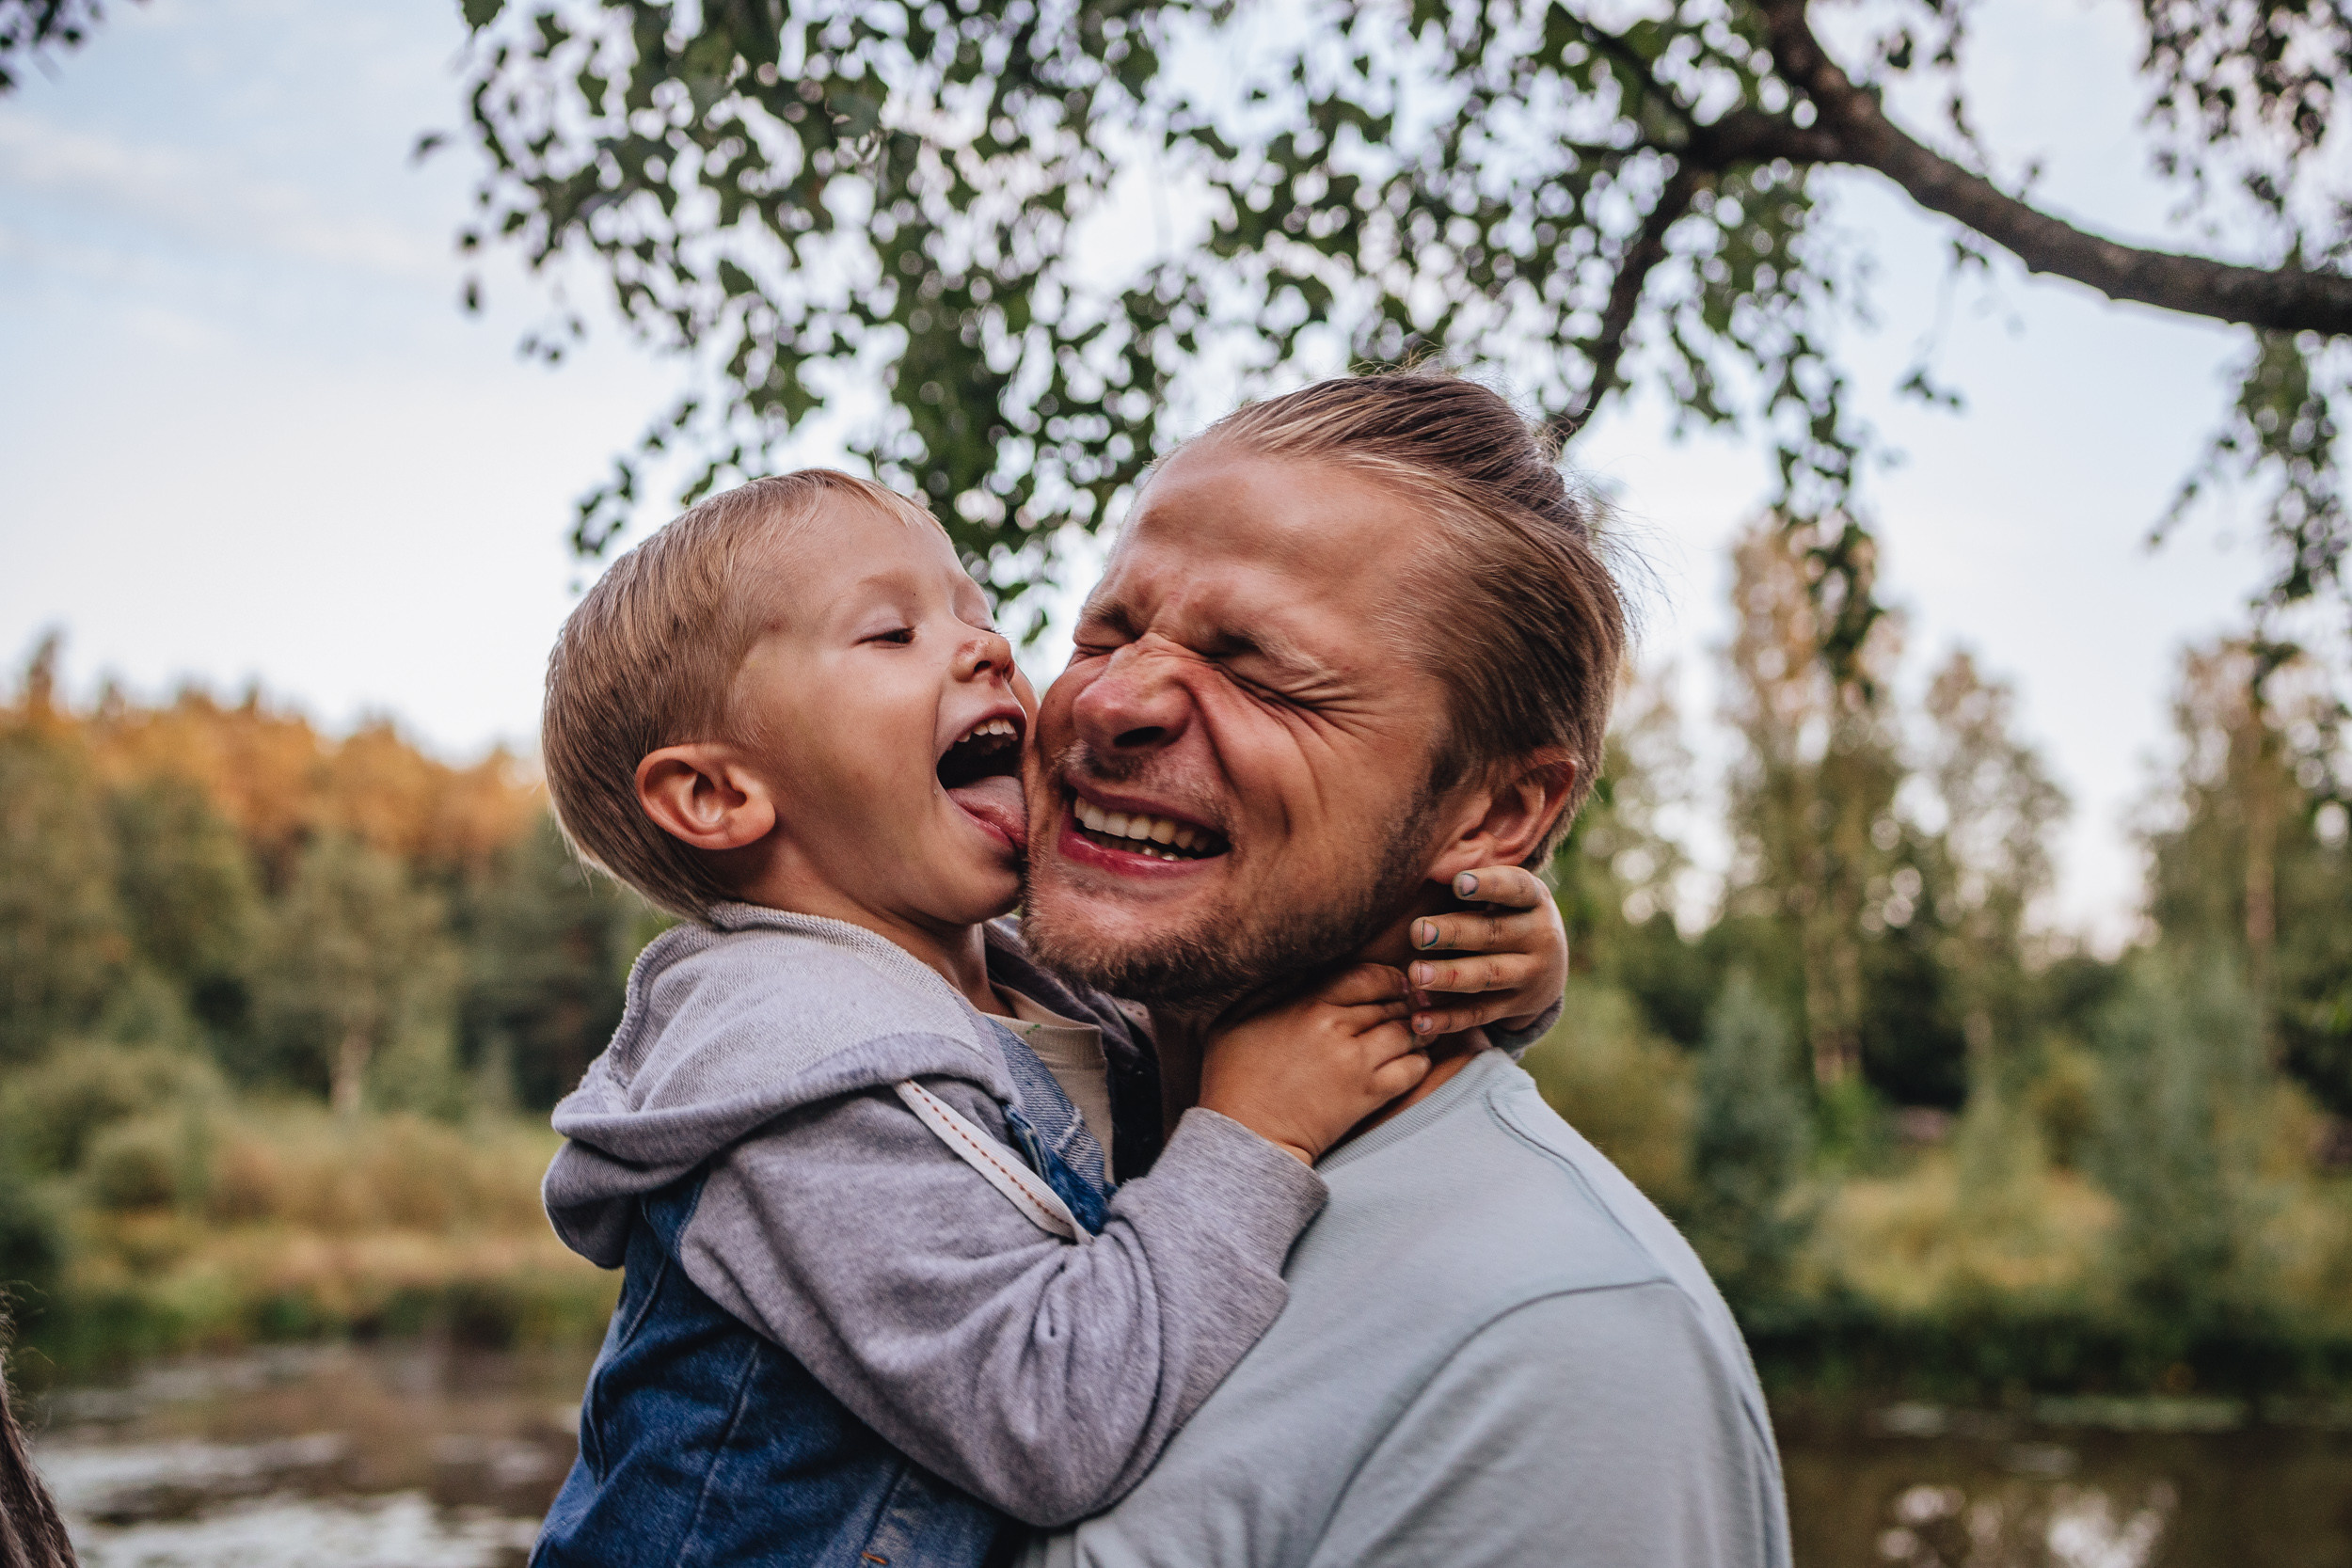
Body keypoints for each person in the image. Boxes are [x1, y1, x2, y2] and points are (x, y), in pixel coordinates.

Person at [525, 469, 1572, 1568]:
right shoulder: (802, 1079)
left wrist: (1479, 950)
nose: (986, 648)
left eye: (974, 612)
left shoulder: (1037, 995)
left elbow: (1295, 998)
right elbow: (1049, 1418)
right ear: (718, 795)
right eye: (892, 633)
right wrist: (1252, 1136)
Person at [1018, 371, 1792, 1568]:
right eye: (1104, 633)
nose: (1110, 699)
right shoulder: (964, 1116)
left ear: (1495, 812)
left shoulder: (1559, 1352)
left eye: (1259, 669)